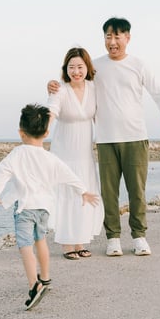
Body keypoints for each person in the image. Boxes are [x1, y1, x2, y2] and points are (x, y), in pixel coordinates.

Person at [49, 17, 160, 257]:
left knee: (137, 191)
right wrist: (52, 84)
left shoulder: (138, 64)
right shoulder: (94, 67)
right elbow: (71, 81)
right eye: (108, 36)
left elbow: (158, 91)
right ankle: (113, 238)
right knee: (108, 192)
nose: (112, 41)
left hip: (135, 136)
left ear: (128, 38)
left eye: (117, 36)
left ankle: (139, 237)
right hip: (105, 140)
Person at [0, 104, 100, 310]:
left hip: (25, 209)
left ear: (21, 132)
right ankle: (45, 278)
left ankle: (33, 285)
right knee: (41, 241)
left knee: (25, 246)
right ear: (46, 133)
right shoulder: (50, 158)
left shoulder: (17, 154)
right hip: (44, 208)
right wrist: (83, 191)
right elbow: (69, 174)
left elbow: (2, 172)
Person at [46, 47, 104, 260]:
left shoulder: (93, 88)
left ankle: (80, 241)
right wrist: (43, 128)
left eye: (80, 67)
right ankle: (66, 244)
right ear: (66, 69)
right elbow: (51, 110)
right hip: (64, 154)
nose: (76, 71)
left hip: (85, 154)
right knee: (67, 195)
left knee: (84, 195)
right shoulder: (60, 89)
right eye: (71, 67)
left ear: (87, 67)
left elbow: (100, 117)